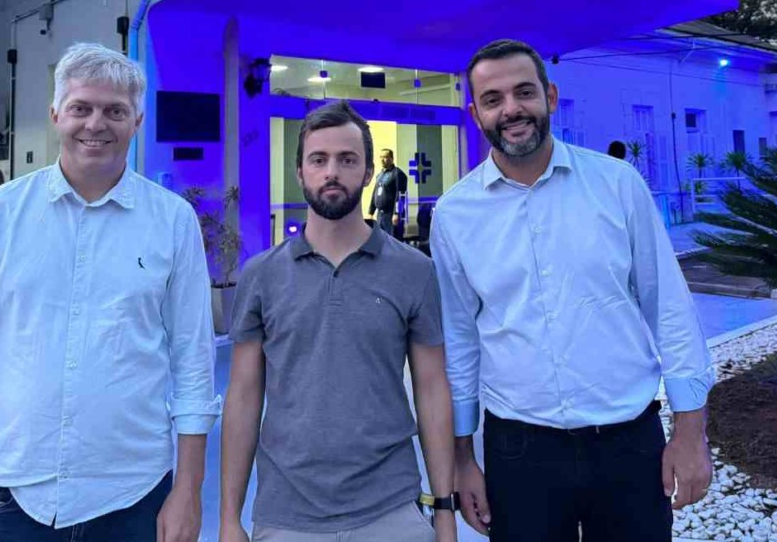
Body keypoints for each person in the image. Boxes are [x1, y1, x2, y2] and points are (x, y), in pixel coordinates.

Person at [0, 43, 220, 542]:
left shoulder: (172, 222)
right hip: (10, 493)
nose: (96, 123)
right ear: (56, 114)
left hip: (133, 496)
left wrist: (188, 491)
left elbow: (193, 363)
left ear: (137, 121)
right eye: (82, 107)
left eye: (115, 111)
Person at [431, 39, 715, 542]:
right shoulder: (454, 216)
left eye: (524, 92)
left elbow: (669, 309)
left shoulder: (618, 186)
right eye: (493, 100)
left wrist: (691, 434)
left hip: (629, 446)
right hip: (520, 456)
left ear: (552, 96)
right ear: (475, 114)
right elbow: (460, 342)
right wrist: (462, 459)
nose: (512, 109)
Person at [220, 101, 458, 542]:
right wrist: (228, 519)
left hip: (391, 510)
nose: (332, 171)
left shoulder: (413, 271)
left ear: (368, 172)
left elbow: (431, 388)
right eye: (319, 159)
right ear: (300, 171)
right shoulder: (261, 275)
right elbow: (242, 397)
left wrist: (444, 510)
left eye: (347, 160)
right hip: (287, 514)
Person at [368, 148, 408, 237]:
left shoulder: (397, 174)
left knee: (391, 241)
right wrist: (371, 211)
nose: (382, 160)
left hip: (391, 215)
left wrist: (397, 213)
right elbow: (375, 192)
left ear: (391, 158)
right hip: (380, 215)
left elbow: (400, 196)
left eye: (385, 157)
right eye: (380, 157)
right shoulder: (380, 175)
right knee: (381, 240)